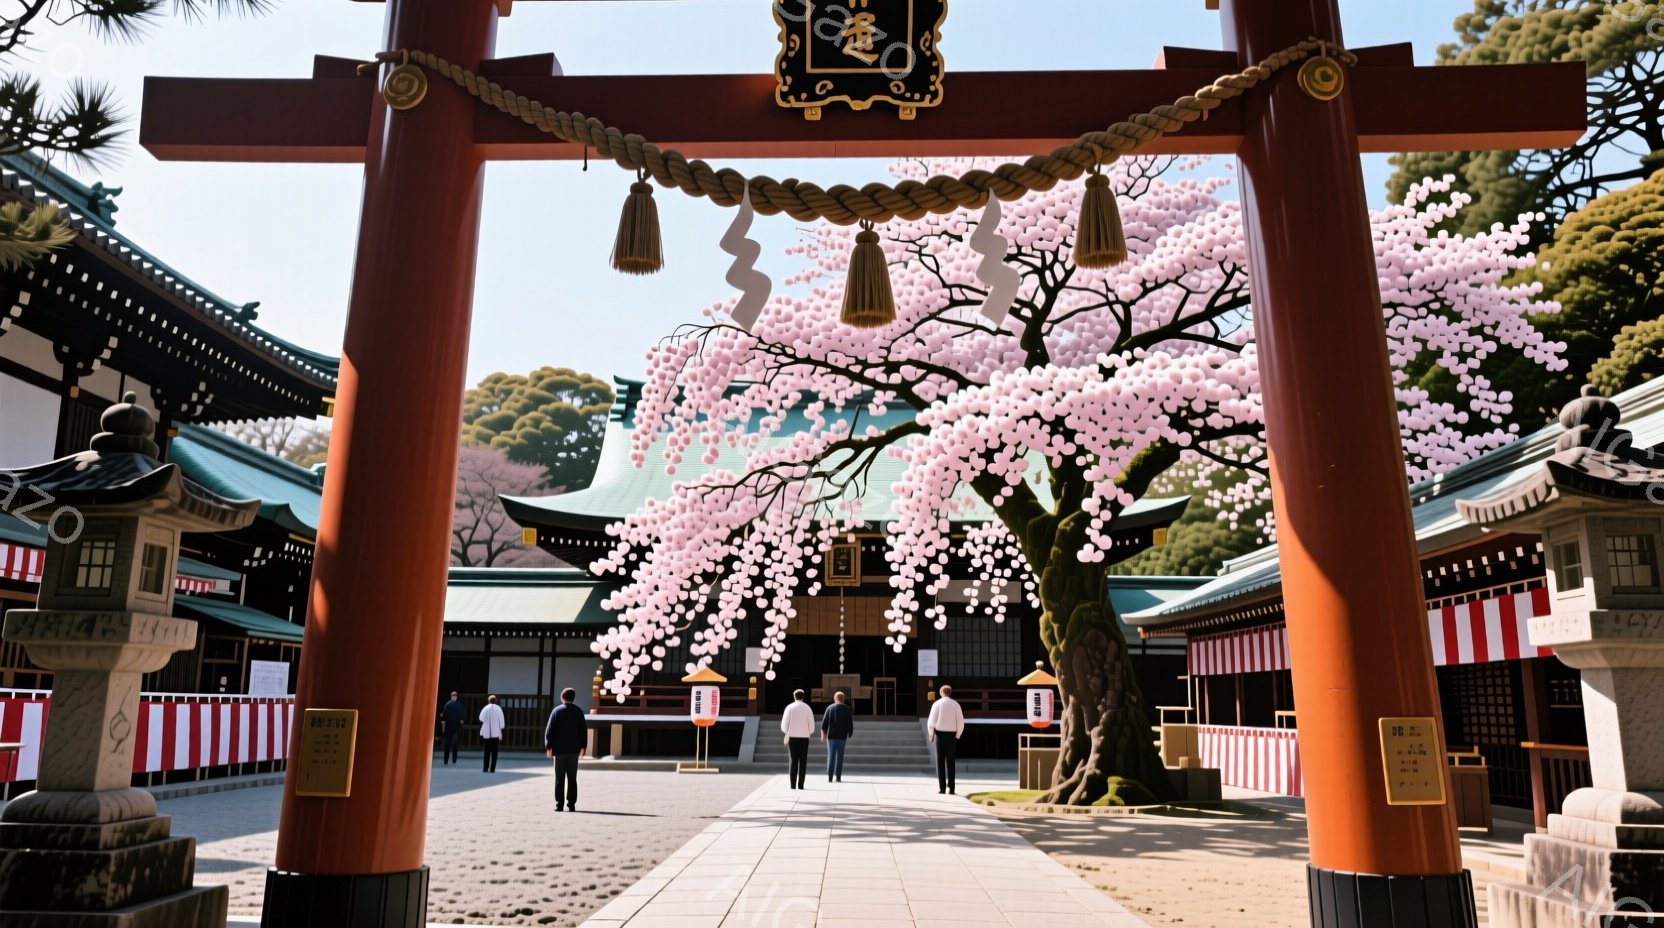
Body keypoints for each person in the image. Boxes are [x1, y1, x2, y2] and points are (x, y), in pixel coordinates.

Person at [544, 687, 587, 812]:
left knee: (559, 778)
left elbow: (550, 731)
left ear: (562, 697)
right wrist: (583, 747)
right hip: (574, 751)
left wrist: (549, 747)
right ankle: (571, 804)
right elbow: (583, 731)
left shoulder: (556, 711)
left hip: (559, 751)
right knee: (572, 778)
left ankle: (559, 804)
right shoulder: (578, 711)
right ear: (573, 698)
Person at [927, 684, 965, 794]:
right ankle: (952, 788)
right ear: (950, 692)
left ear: (941, 692)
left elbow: (931, 722)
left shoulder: (937, 704)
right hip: (952, 736)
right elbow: (961, 722)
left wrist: (931, 735)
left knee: (940, 762)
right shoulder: (956, 705)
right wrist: (957, 735)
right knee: (951, 762)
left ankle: (942, 788)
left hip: (940, 736)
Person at [779, 688, 815, 790]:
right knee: (803, 761)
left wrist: (786, 731)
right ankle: (801, 784)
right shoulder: (808, 708)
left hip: (792, 737)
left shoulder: (789, 707)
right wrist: (809, 732)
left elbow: (784, 725)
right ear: (803, 696)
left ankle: (792, 784)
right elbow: (812, 726)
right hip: (804, 738)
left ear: (794, 696)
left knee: (793, 761)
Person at [820, 690, 854, 783]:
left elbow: (824, 724)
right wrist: (850, 733)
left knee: (831, 756)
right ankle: (838, 777)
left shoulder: (829, 708)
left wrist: (823, 734)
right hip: (842, 737)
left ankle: (830, 777)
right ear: (843, 699)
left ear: (835, 698)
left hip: (831, 737)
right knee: (840, 757)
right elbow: (850, 723)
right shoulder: (847, 708)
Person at [478, 694, 505, 773]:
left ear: (488, 700)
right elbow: (502, 721)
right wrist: (501, 726)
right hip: (495, 733)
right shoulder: (499, 708)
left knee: (486, 752)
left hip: (486, 734)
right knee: (494, 753)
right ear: (495, 701)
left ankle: (485, 768)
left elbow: (481, 718)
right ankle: (492, 769)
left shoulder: (485, 708)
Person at [439, 690, 466, 765]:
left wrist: (442, 717)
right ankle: (454, 760)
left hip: (449, 727)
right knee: (455, 745)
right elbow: (463, 717)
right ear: (456, 697)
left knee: (447, 745)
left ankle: (446, 760)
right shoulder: (460, 705)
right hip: (456, 728)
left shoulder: (447, 704)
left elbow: (444, 716)